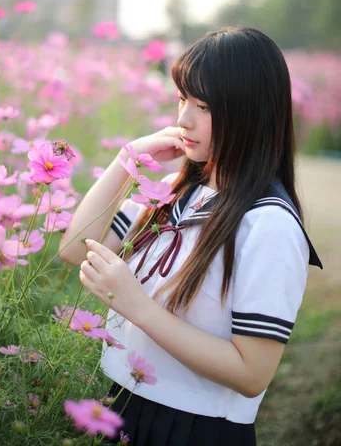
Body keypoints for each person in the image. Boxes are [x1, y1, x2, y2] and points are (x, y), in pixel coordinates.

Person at [59, 27, 323, 446]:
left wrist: (136, 306)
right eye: (182, 98)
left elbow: (252, 372)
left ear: (250, 112)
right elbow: (76, 248)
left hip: (194, 428)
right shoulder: (177, 191)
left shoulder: (268, 224)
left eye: (203, 105)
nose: (183, 119)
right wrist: (128, 157)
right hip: (122, 407)